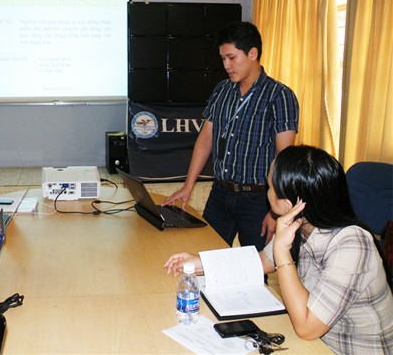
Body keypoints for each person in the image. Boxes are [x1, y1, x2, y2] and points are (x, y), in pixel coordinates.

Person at [164, 145, 393, 355]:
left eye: (270, 187)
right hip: (315, 343)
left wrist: (283, 252)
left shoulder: (352, 244)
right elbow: (263, 261)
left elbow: (306, 327)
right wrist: (201, 263)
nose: (267, 191)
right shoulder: (303, 222)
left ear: (287, 205)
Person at [163, 21, 299, 251]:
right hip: (220, 193)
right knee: (207, 256)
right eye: (223, 58)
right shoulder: (222, 90)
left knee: (255, 266)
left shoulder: (280, 96)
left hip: (258, 200)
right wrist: (188, 185)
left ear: (252, 53)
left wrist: (275, 212)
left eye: (232, 57)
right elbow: (205, 140)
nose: (226, 65)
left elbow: (284, 159)